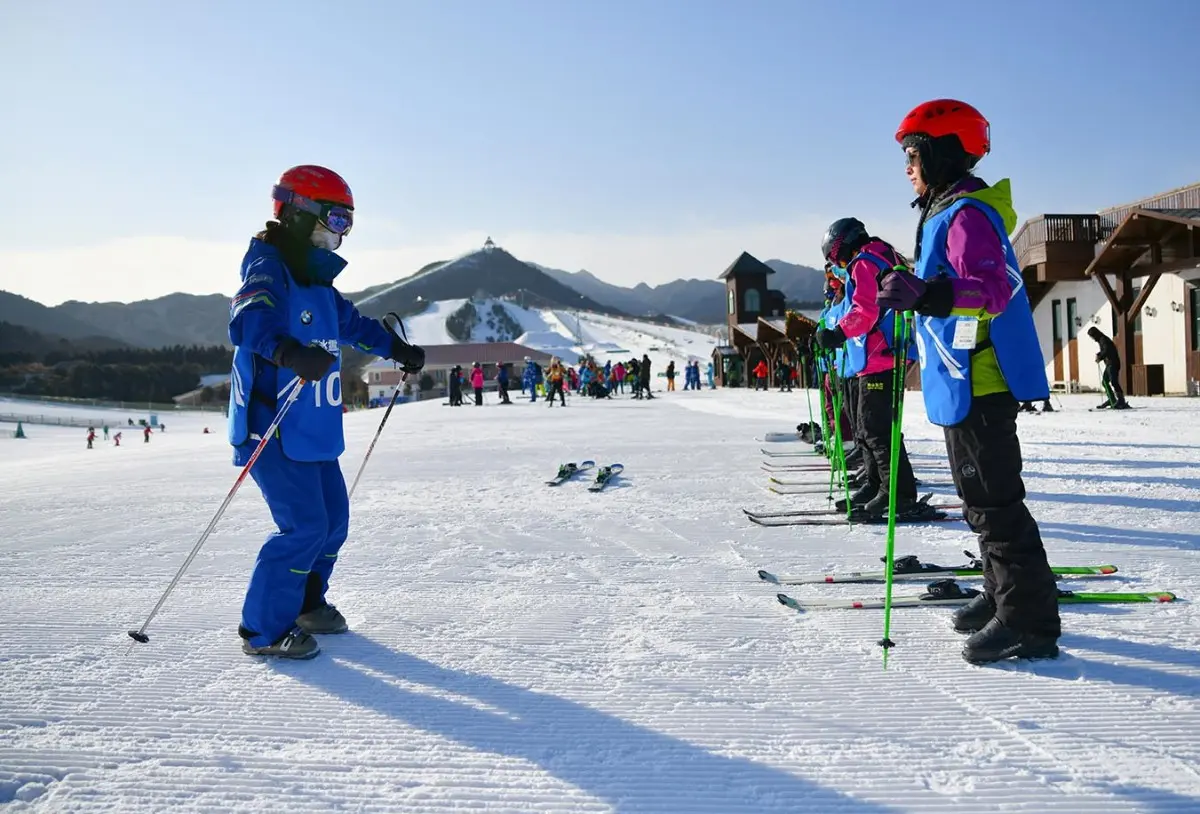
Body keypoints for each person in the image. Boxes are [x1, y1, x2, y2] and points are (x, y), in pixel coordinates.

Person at [878, 99, 1058, 664]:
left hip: (980, 378)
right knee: (978, 499)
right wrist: (914, 288)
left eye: (913, 153)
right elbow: (949, 283)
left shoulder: (966, 215)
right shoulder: (946, 212)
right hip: (961, 377)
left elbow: (992, 291)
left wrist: (927, 294)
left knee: (995, 502)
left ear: (941, 151)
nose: (907, 165)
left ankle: (1028, 621)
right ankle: (1000, 592)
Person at [227, 164, 425, 660]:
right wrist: (288, 352)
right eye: (335, 219)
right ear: (298, 212)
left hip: (313, 427)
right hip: (271, 426)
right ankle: (263, 630)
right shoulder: (269, 267)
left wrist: (396, 349)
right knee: (304, 527)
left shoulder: (317, 281)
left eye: (348, 224)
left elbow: (353, 324)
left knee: (333, 522)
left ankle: (306, 604)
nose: (341, 233)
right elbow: (248, 319)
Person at [816, 218, 922, 517]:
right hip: (877, 355)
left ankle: (897, 493)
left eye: (836, 258)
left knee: (876, 428)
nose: (838, 264)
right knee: (868, 427)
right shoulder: (879, 255)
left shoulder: (865, 262)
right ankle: (877, 484)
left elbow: (866, 309)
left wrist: (838, 333)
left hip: (880, 356)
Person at [1087, 327, 1130, 409]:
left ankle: (1121, 400)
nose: (1092, 338)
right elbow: (1105, 350)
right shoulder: (1101, 340)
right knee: (1105, 382)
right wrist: (1099, 354)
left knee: (1113, 381)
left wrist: (1100, 357)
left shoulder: (1103, 339)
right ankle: (1112, 399)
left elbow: (1107, 350)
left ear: (1095, 334)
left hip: (1113, 363)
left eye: (1092, 336)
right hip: (1109, 364)